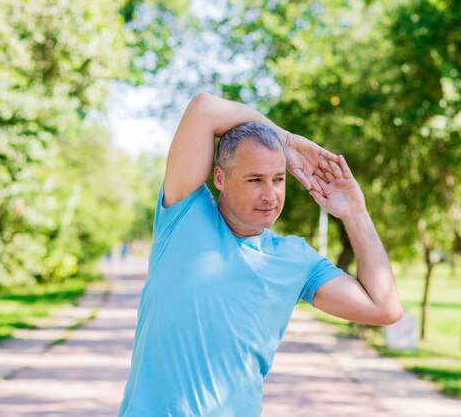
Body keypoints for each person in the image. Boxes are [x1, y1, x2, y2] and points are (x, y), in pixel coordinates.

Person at [118, 93, 403, 417]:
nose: (270, 195)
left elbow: (384, 308)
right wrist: (288, 143)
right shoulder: (185, 214)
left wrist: (355, 212)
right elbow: (204, 108)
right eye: (255, 180)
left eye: (278, 179)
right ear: (221, 178)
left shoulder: (295, 259)